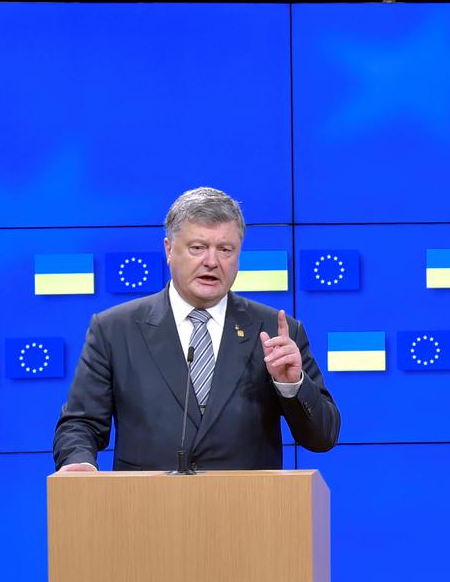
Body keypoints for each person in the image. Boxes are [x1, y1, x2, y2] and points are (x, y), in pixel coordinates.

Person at [53, 187, 339, 472]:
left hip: (248, 510)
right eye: (197, 248)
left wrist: (292, 385)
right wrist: (79, 462)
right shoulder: (114, 329)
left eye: (225, 250)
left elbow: (323, 437)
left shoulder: (276, 331)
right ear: (168, 250)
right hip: (146, 509)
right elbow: (81, 423)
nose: (212, 262)